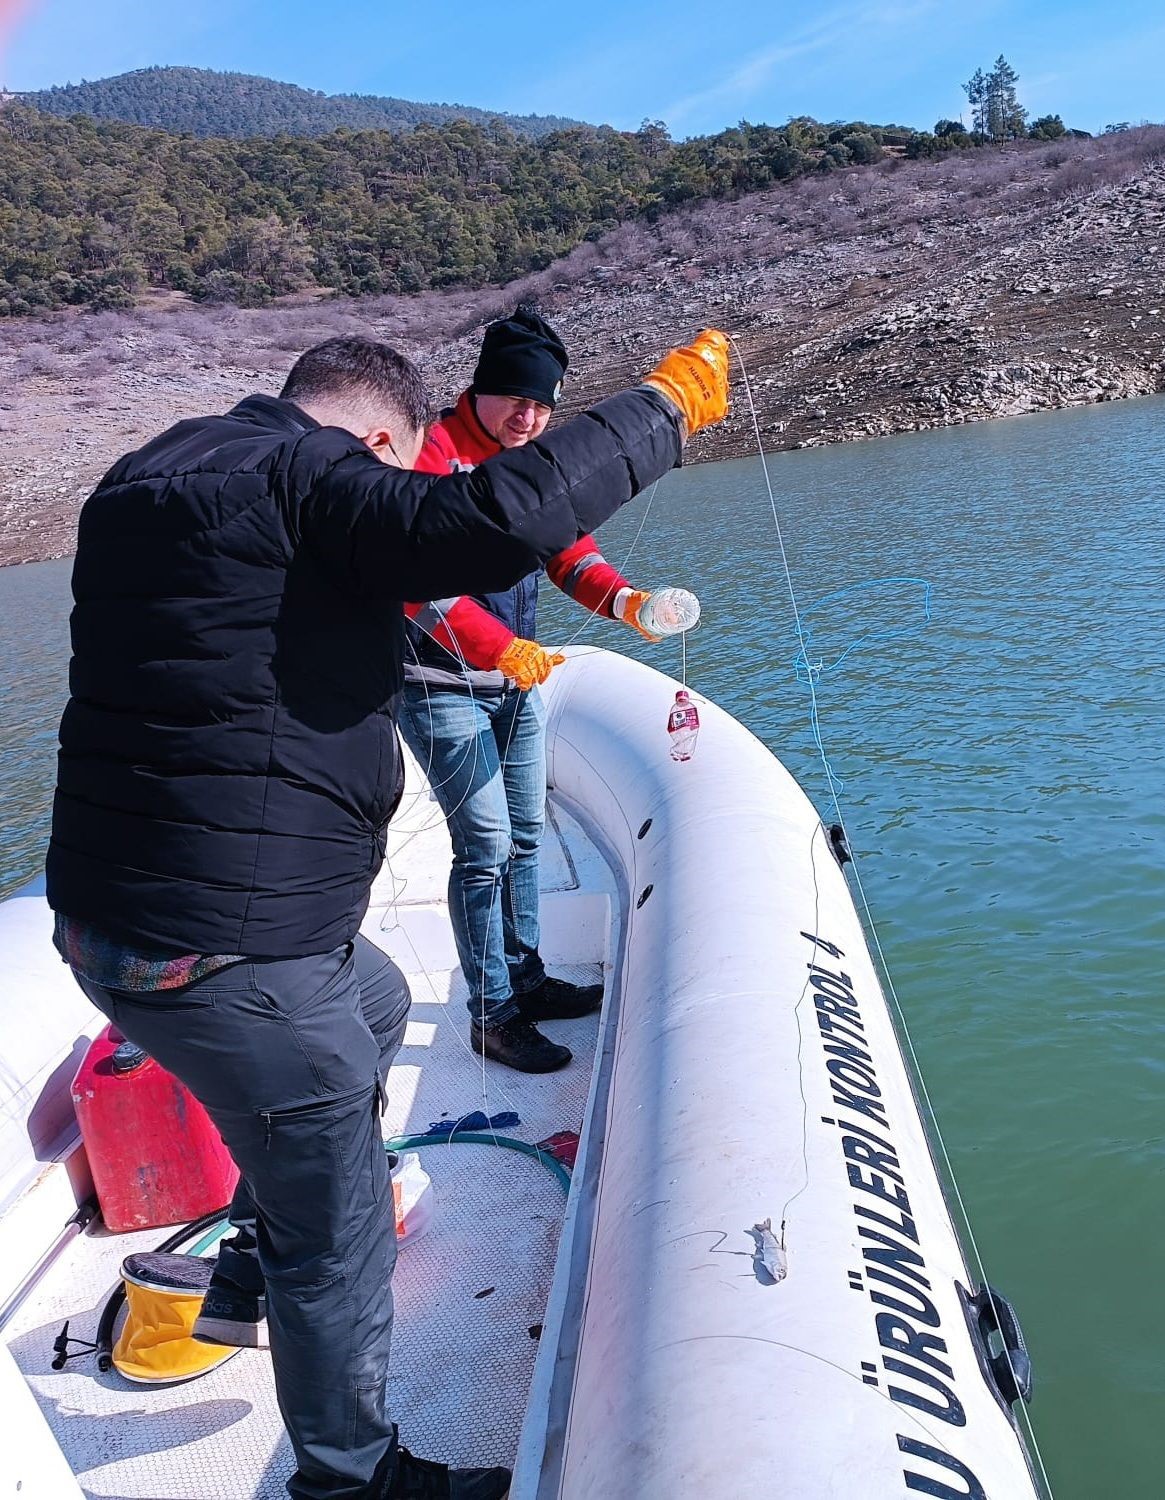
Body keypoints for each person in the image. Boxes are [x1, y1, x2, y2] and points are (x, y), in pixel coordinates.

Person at [47, 329, 730, 1500]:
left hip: (110, 921)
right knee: (341, 1231)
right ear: (374, 443)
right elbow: (478, 524)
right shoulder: (309, 474)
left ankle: (253, 1259)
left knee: (373, 998)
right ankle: (351, 1480)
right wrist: (660, 411)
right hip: (229, 949)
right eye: (395, 470)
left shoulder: (152, 474)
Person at [399, 308, 698, 1072]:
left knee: (526, 836)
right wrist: (496, 647)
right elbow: (411, 582)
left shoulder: (530, 459)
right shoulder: (430, 455)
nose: (528, 418)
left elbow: (569, 552)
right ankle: (491, 1014)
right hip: (440, 687)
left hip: (516, 680)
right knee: (485, 847)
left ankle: (525, 979)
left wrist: (627, 602)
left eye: (541, 405)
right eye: (515, 399)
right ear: (480, 388)